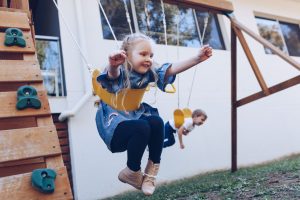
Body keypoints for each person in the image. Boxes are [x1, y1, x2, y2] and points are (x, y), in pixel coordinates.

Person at [95, 33, 212, 196]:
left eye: (151, 55)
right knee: (142, 125)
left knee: (156, 121)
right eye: (143, 54)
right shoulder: (119, 68)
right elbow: (112, 76)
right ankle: (133, 170)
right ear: (127, 55)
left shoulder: (148, 70)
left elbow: (170, 69)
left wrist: (197, 58)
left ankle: (150, 173)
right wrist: (113, 65)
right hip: (115, 126)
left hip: (135, 117)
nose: (148, 58)